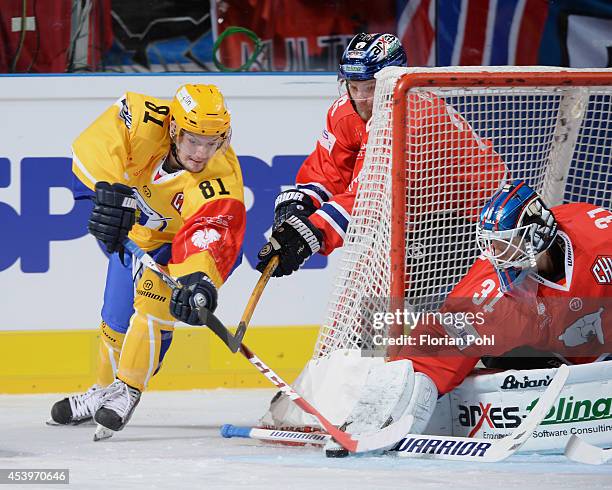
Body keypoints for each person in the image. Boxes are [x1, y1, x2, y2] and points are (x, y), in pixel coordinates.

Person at [330, 180, 612, 454]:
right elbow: (443, 337)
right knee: (497, 356)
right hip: (556, 357)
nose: (496, 255)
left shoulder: (600, 238)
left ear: (536, 235)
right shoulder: (494, 289)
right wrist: (388, 398)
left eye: (505, 243)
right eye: (491, 245)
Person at [49, 84, 246, 434]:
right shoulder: (141, 116)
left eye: (212, 142)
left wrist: (198, 279)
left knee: (154, 303)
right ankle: (103, 389)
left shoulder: (220, 176)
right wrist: (108, 189)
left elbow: (212, 228)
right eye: (193, 140)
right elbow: (92, 144)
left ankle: (128, 388)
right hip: (140, 236)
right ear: (174, 129)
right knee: (114, 316)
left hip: (184, 247)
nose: (202, 152)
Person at [255, 32, 505, 283]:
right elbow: (329, 172)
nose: (362, 99)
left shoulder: (413, 119)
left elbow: (371, 200)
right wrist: (302, 203)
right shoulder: (345, 112)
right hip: (431, 219)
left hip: (482, 221)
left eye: (372, 87)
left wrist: (311, 232)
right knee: (377, 283)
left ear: (397, 80)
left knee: (399, 289)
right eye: (354, 86)